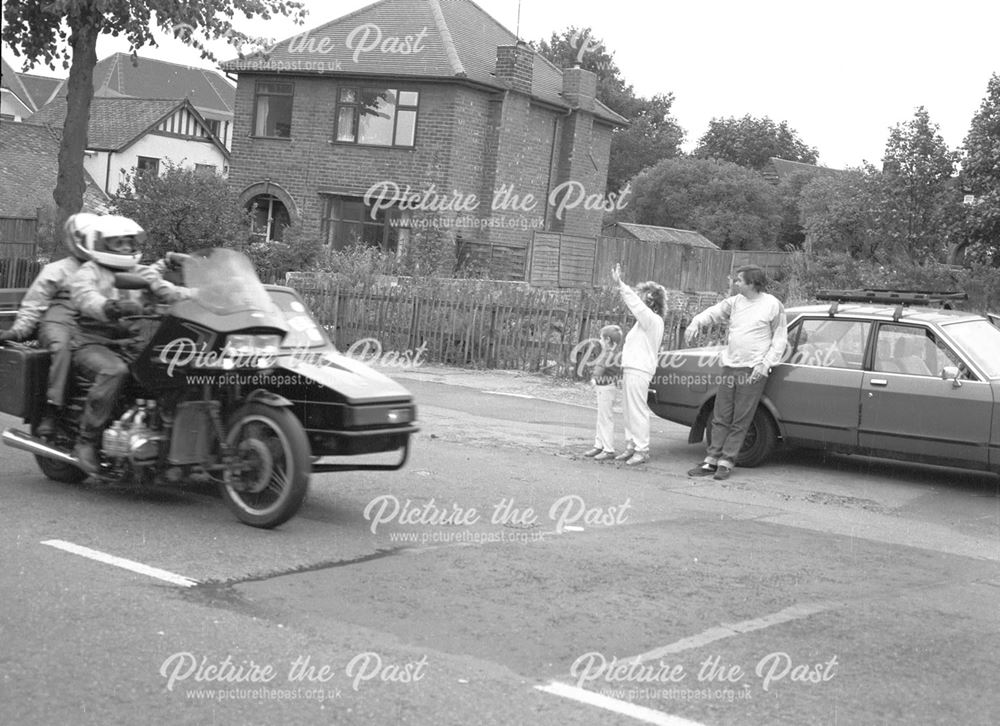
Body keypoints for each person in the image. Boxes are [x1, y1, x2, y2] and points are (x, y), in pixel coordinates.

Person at [68, 214, 189, 474]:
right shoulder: (88, 272)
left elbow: (166, 289)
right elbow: (85, 298)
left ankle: (165, 438)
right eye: (117, 243)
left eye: (128, 242)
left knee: (174, 368)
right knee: (114, 371)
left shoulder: (138, 271)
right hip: (93, 343)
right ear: (101, 244)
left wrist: (211, 295)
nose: (124, 248)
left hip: (132, 342)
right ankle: (86, 441)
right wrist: (110, 307)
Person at [684, 265, 787, 481]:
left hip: (753, 369)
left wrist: (765, 364)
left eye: (739, 280)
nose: (735, 283)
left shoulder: (772, 305)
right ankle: (710, 461)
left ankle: (726, 462)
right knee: (721, 416)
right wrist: (696, 322)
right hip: (731, 366)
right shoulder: (735, 302)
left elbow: (779, 338)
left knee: (741, 418)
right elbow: (713, 312)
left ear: (752, 283)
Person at [0, 213, 99, 436]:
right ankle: (52, 409)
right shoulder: (57, 270)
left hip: (94, 329)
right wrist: (19, 331)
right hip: (58, 326)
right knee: (63, 348)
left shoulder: (109, 270)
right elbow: (34, 304)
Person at [611, 263, 667, 466]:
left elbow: (636, 305)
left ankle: (642, 449)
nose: (640, 298)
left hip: (640, 370)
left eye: (643, 295)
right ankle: (631, 445)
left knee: (637, 409)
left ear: (650, 301)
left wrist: (621, 285)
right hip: (632, 368)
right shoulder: (644, 322)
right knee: (628, 409)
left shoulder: (652, 320)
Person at [582, 324, 623, 462]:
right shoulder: (614, 353)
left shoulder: (609, 354)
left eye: (601, 338)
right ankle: (599, 445)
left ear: (607, 340)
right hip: (607, 387)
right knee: (602, 417)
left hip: (605, 388)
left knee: (605, 418)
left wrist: (594, 378)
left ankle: (608, 449)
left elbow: (601, 367)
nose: (600, 341)